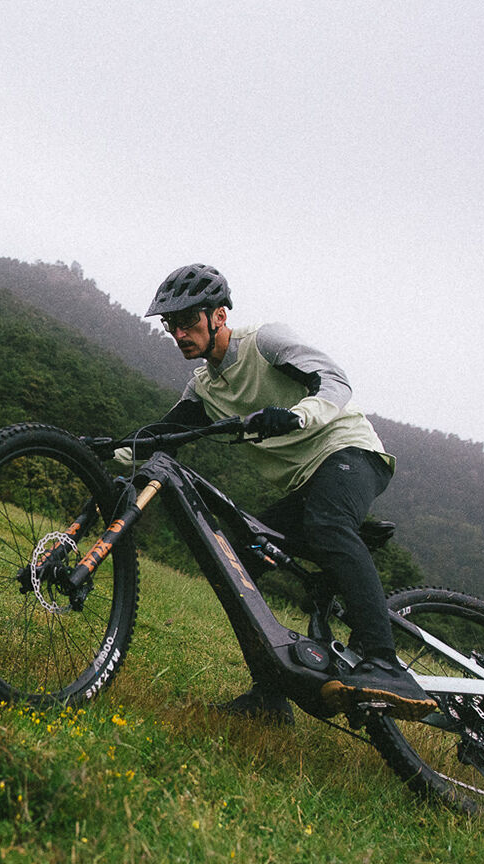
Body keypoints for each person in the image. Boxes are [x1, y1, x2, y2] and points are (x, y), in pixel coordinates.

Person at [136, 263, 436, 725]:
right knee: (239, 561)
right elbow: (159, 438)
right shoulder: (205, 388)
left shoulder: (265, 342)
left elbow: (335, 381)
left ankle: (385, 664)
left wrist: (297, 415)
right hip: (305, 485)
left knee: (327, 524)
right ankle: (270, 697)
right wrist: (98, 449)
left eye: (188, 320)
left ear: (218, 316)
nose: (179, 333)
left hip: (350, 451)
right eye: (170, 324)